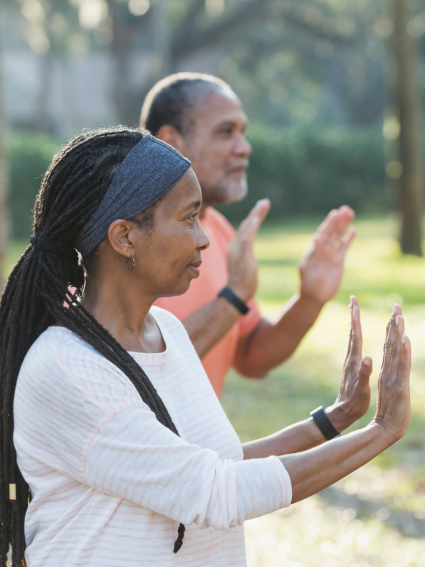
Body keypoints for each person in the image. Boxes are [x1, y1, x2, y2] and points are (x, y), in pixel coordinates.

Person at [0, 126, 410, 567]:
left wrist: (335, 419)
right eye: (188, 217)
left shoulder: (169, 333)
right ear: (124, 237)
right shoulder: (66, 366)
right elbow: (214, 493)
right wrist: (380, 431)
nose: (204, 238)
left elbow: (221, 465)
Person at [140, 73, 356, 397]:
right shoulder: (125, 237)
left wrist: (309, 300)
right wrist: (234, 296)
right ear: (171, 141)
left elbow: (251, 357)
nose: (244, 148)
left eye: (243, 132)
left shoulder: (218, 229)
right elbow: (131, 371)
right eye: (226, 132)